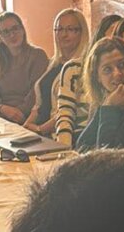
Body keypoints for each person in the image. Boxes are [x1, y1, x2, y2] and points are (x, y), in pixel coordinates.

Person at [53, 12, 120, 147]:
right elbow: (65, 114)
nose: (114, 44)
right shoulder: (74, 68)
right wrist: (64, 149)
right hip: (79, 139)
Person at [24, 7, 89, 136]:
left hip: (59, 134)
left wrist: (40, 129)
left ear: (82, 32)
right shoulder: (53, 63)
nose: (64, 35)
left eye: (70, 29)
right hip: (39, 131)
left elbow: (69, 110)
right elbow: (39, 105)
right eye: (59, 29)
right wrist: (26, 126)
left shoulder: (81, 67)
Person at [0, 11, 48, 124]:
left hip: (29, 117)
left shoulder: (37, 56)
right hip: (3, 118)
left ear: (23, 30)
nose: (12, 35)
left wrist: (17, 113)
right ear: (0, 37)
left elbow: (37, 94)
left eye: (15, 29)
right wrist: (3, 109)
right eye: (6, 32)